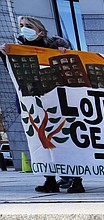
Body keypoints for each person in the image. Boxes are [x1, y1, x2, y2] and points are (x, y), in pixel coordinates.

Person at [1, 17, 83, 192]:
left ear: (40, 30)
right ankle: (50, 179)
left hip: (57, 99)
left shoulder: (56, 47)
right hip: (32, 100)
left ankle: (76, 180)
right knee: (40, 140)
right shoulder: (17, 50)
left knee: (66, 140)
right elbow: (16, 74)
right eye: (21, 26)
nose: (24, 29)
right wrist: (4, 55)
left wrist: (64, 53)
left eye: (28, 26)